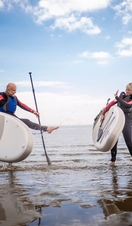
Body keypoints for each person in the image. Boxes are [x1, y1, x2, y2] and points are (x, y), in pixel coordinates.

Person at [0, 83, 59, 168]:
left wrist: (33, 111)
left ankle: (47, 128)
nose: (15, 92)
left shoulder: (14, 98)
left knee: (21, 129)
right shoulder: (2, 96)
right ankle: (46, 128)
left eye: (15, 90)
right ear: (8, 89)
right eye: (13, 90)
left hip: (11, 118)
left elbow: (22, 105)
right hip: (3, 119)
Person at [101, 82, 132, 166]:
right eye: (126, 89)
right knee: (113, 140)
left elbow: (127, 105)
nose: (127, 91)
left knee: (129, 142)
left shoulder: (130, 99)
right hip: (117, 121)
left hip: (127, 122)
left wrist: (117, 98)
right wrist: (103, 113)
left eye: (129, 90)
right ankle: (113, 161)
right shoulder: (121, 97)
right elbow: (111, 104)